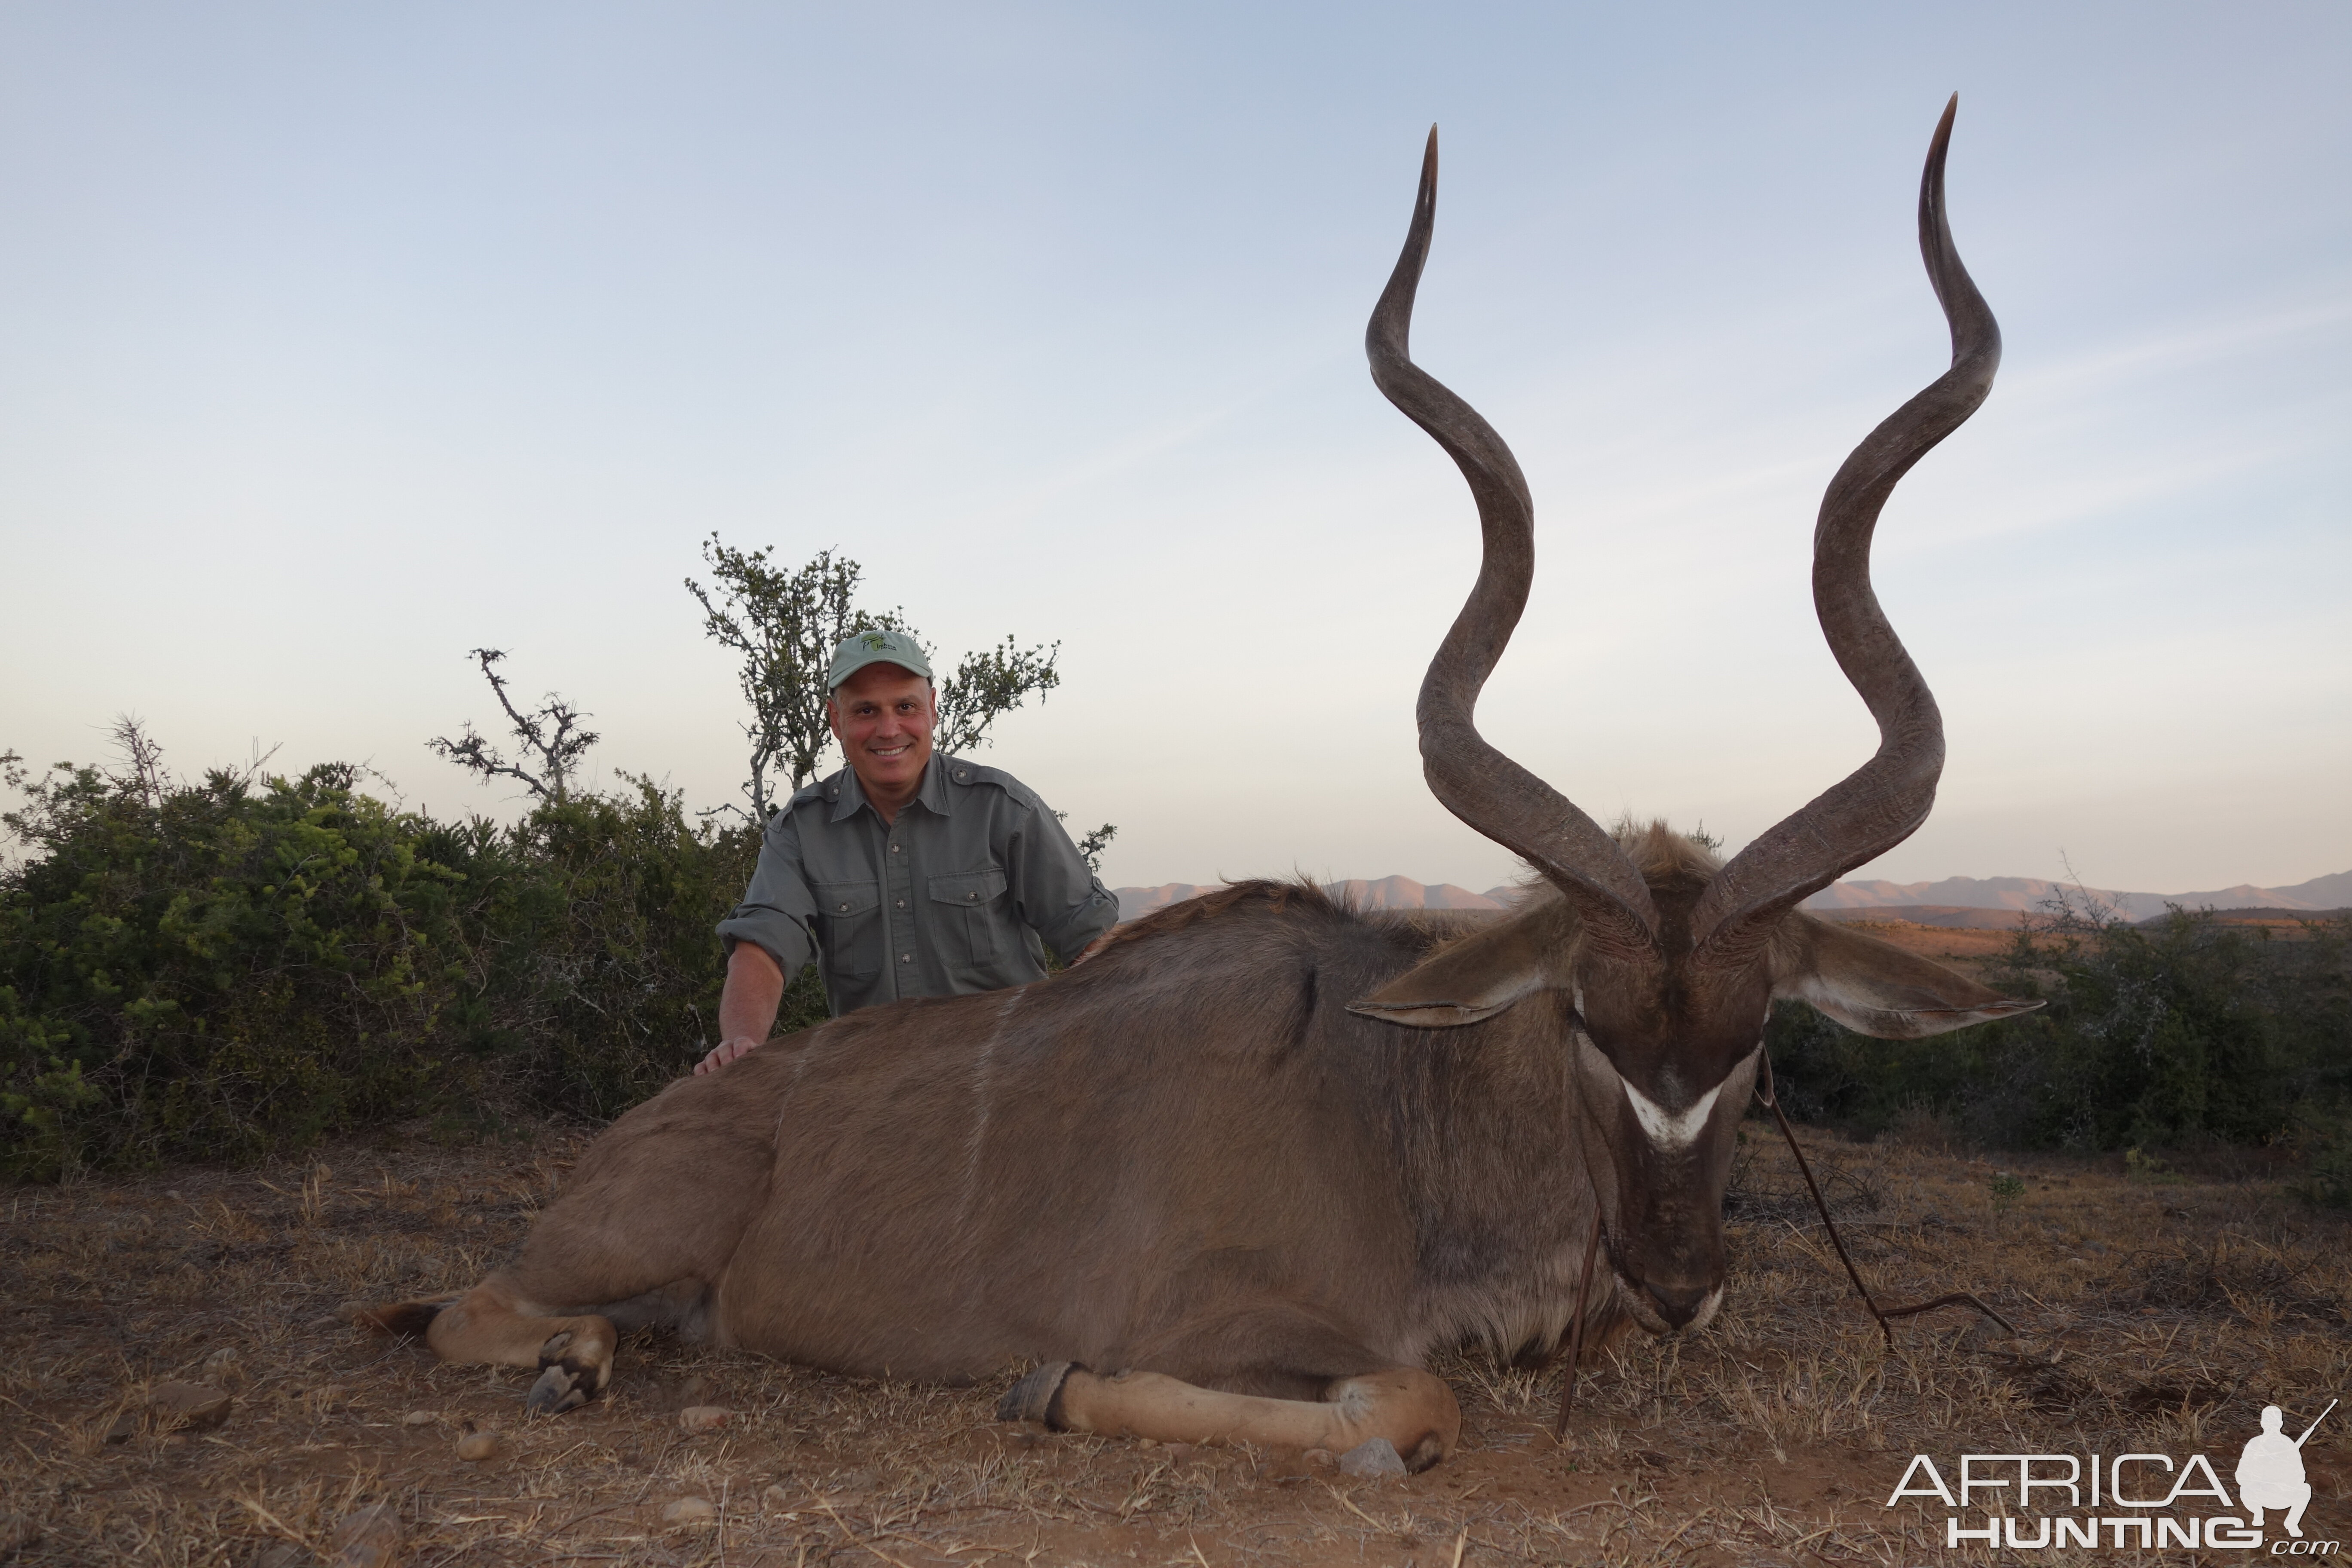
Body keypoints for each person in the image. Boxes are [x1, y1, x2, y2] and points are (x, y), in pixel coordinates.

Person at [695, 628, 1118, 1075]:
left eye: (906, 707)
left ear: (933, 709)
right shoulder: (801, 829)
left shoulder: (1003, 809)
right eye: (865, 711)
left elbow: (1091, 940)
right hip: (879, 1088)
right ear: (836, 721)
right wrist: (741, 1040)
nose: (888, 729)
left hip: (1006, 1078)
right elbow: (763, 945)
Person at [2236, 1403, 2315, 1537]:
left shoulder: (2289, 1445)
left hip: (2283, 1494)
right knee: (2245, 1488)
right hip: (2259, 1494)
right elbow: (2241, 1475)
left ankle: (2292, 1523)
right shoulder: (2254, 1444)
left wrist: (2285, 1477)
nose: (2272, 1426)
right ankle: (2258, 1513)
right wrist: (2257, 1477)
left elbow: (2301, 1475)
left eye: (2275, 1422)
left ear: (2280, 1423)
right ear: (2262, 1424)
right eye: (2268, 1422)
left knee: (2305, 1489)